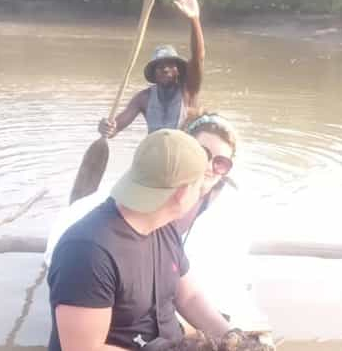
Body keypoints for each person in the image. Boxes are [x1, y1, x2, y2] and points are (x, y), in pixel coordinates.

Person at [45, 113, 269, 334]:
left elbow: (189, 296)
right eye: (202, 159)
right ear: (183, 193)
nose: (209, 170)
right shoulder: (87, 252)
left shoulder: (164, 228)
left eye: (220, 163)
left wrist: (233, 340)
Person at [99, 0, 205, 138]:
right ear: (153, 75)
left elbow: (198, 57)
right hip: (155, 154)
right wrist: (107, 128)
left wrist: (194, 19)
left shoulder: (188, 90)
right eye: (159, 66)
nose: (165, 69)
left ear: (178, 71)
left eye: (170, 65)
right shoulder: (144, 98)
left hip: (183, 156)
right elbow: (116, 127)